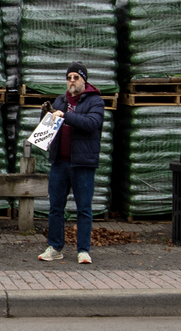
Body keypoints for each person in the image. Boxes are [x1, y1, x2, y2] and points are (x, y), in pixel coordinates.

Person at [36, 62, 105, 264]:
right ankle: (55, 247)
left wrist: (66, 115)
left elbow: (92, 124)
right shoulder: (59, 100)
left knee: (84, 208)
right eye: (69, 77)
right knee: (56, 207)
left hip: (83, 163)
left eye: (76, 77)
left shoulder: (95, 101)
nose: (72, 81)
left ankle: (83, 250)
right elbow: (46, 129)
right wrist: (46, 114)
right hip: (60, 162)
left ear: (84, 80)